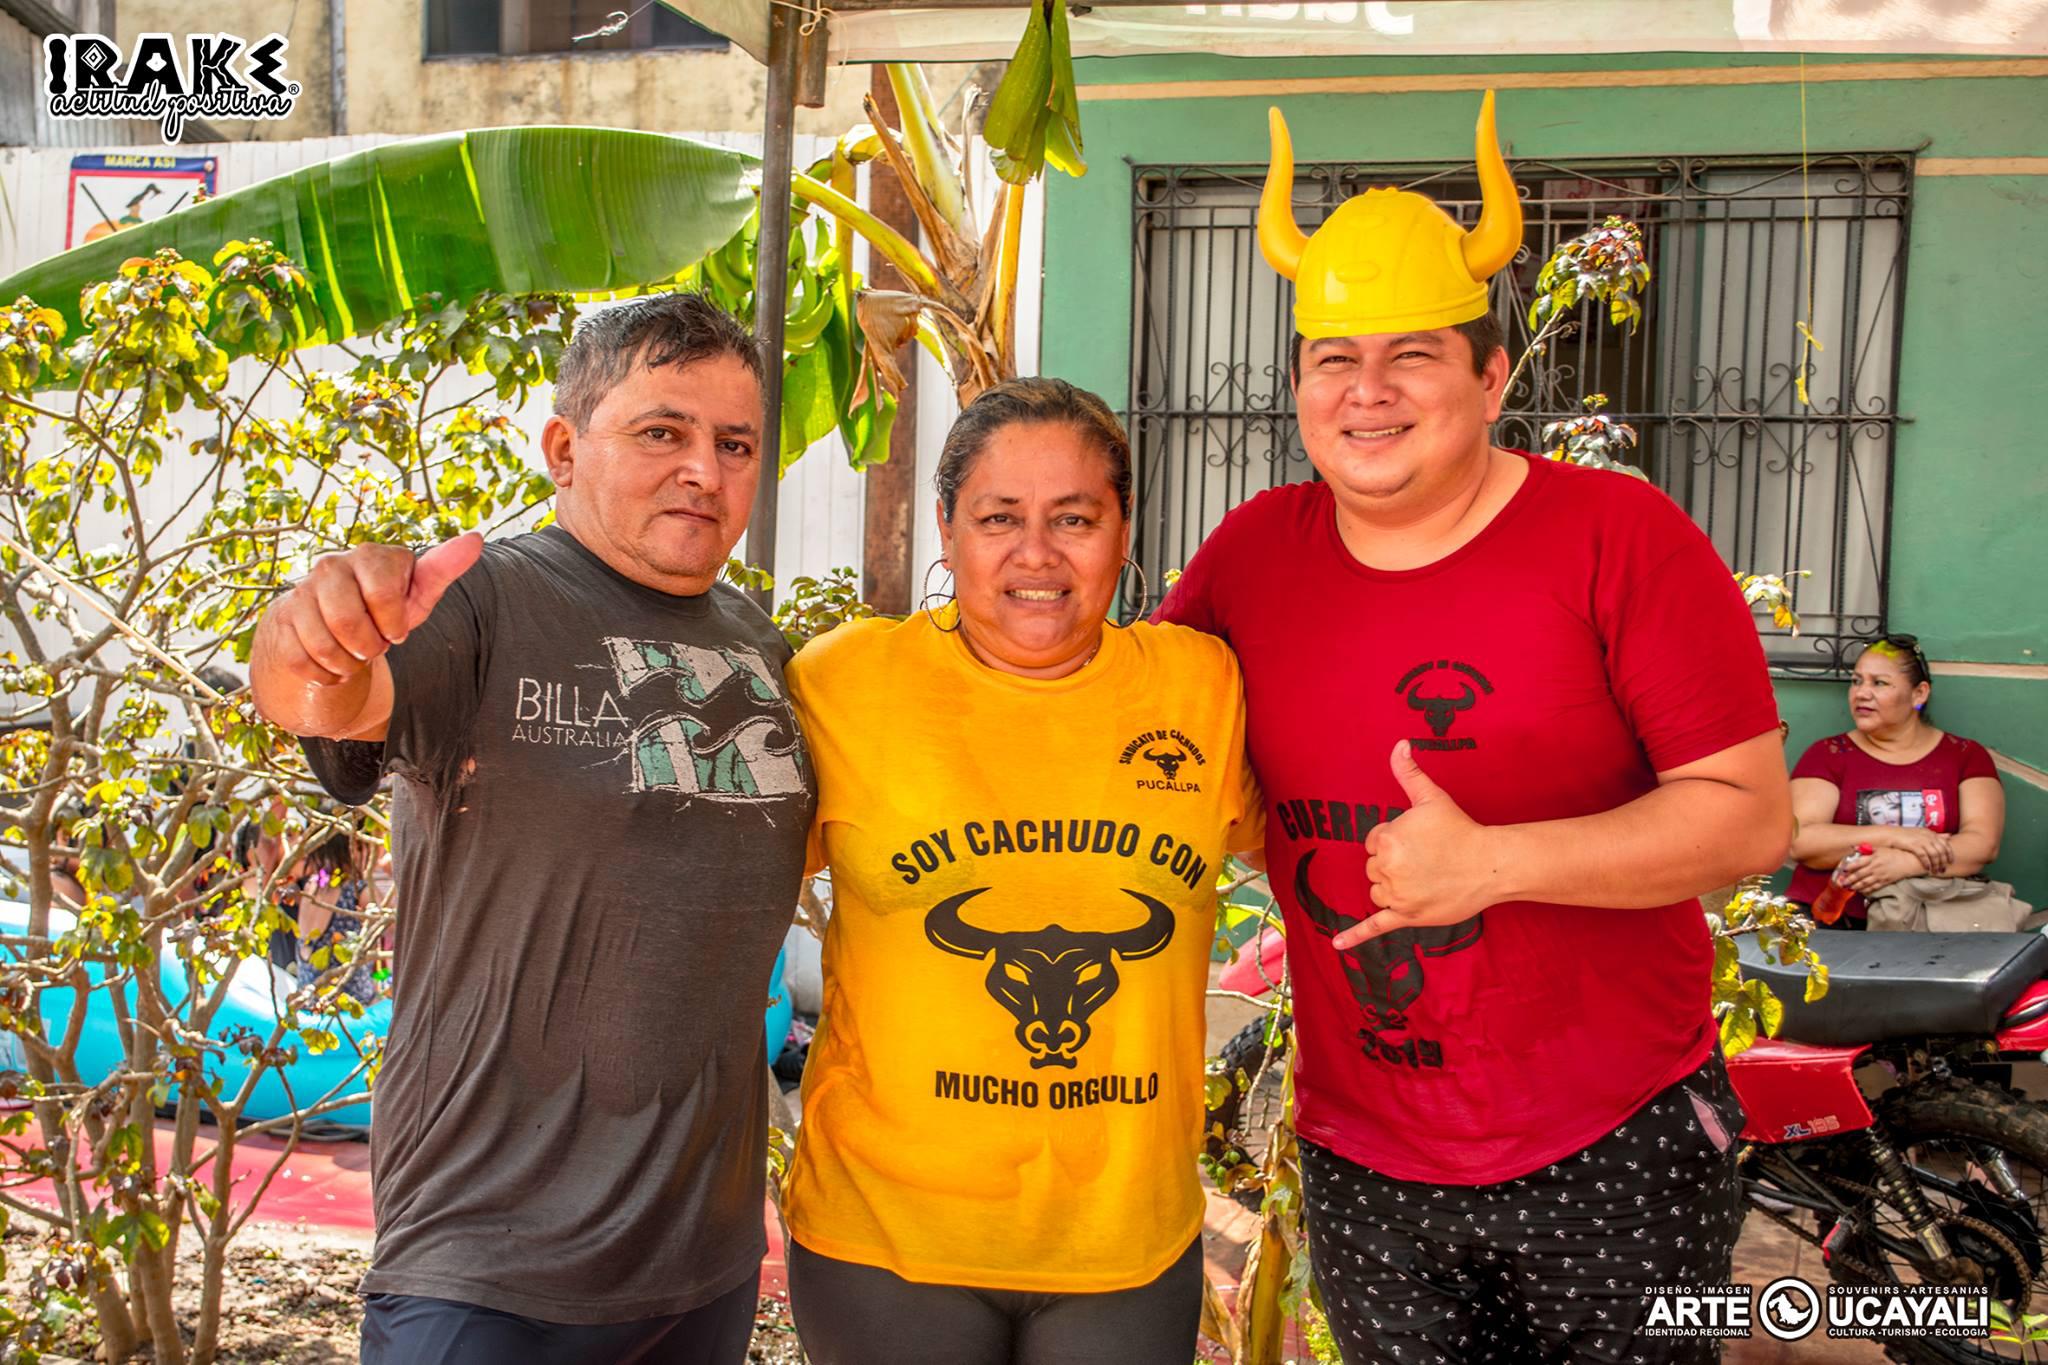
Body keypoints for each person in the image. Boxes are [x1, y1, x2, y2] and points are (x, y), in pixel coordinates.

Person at [1152, 93, 1794, 1363]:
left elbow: (1746, 819)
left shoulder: (1619, 540)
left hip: (1613, 1137)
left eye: (1413, 356)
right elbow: (1136, 732)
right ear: (1295, 386)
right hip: (1363, 1155)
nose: (1367, 392)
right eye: (1333, 359)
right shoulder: (1247, 559)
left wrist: (1495, 863)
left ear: (1491, 375)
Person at [249, 293, 814, 1365]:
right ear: (563, 448)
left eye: (733, 443)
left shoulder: (761, 646)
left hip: (702, 1259)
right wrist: (307, 638)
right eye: (662, 432)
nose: (704, 468)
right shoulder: (483, 602)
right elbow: (328, 694)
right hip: (487, 1260)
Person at [779, 378, 1261, 1365]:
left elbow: (1310, 854)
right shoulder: (843, 684)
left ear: (1124, 530)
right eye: (998, 518)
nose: (1034, 555)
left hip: (1123, 1243)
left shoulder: (1201, 688)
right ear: (947, 529)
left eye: (1073, 519)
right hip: (888, 1238)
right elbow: (703, 881)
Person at [1788, 635, 2006, 925]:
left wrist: (1904, 863)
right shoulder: (1827, 754)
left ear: (1919, 694)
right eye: (1856, 681)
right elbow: (1801, 841)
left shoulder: (1964, 755)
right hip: (1832, 922)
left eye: (1879, 683)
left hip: (1931, 924)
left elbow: (1982, 845)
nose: (1862, 693)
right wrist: (1898, 836)